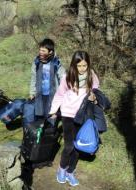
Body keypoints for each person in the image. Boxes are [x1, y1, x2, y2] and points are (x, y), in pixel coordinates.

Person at [48, 50, 100, 186]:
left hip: (82, 115)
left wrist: (94, 96)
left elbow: (96, 88)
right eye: (79, 66)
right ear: (74, 65)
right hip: (67, 115)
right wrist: (53, 110)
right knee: (69, 146)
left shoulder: (91, 75)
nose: (82, 69)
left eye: (85, 65)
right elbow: (59, 94)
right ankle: (62, 169)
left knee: (78, 146)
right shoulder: (68, 76)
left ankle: (70, 171)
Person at [29, 38, 65, 119]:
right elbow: (33, 77)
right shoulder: (36, 62)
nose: (40, 53)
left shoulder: (56, 62)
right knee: (40, 112)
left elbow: (63, 78)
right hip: (40, 93)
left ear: (50, 52)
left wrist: (63, 93)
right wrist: (32, 92)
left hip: (53, 93)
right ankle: (41, 128)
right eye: (40, 50)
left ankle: (51, 129)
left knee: (51, 113)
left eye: (43, 51)